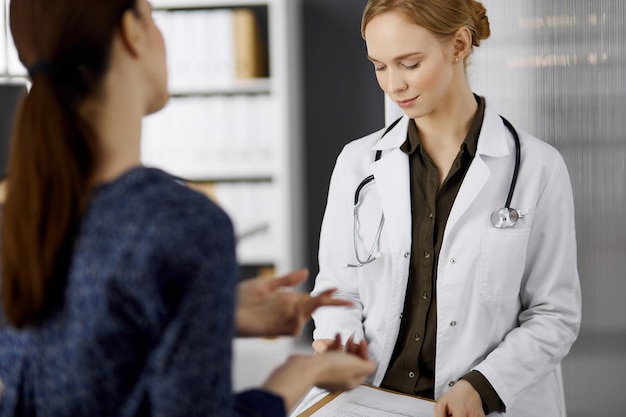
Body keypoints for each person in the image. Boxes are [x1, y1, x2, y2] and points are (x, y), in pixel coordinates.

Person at [0, 0, 375, 416]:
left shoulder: (20, 216)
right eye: (152, 16)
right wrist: (301, 371)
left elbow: (76, 360)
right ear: (132, 31)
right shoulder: (181, 224)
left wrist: (215, 312)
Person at [303, 1, 582, 416]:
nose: (393, 84)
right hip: (372, 395)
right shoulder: (357, 163)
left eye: (409, 63)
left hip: (481, 403)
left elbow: (554, 315)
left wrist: (481, 387)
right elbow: (338, 290)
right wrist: (340, 340)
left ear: (459, 45)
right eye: (379, 66)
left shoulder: (537, 168)